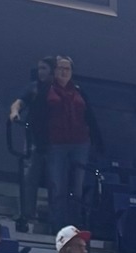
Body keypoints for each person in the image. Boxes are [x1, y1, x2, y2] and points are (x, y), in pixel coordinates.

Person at [39, 57, 101, 231]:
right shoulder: (46, 90)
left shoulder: (79, 91)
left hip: (80, 143)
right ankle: (57, 224)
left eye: (67, 68)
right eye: (60, 68)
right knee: (57, 185)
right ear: (54, 70)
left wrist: (97, 140)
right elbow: (39, 115)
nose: (64, 71)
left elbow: (90, 117)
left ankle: (74, 225)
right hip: (56, 143)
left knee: (77, 187)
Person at [8, 57, 55, 233]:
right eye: (39, 69)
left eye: (44, 68)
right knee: (29, 177)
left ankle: (55, 219)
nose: (41, 72)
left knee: (55, 181)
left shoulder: (58, 90)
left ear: (52, 70)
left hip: (55, 141)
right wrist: (14, 113)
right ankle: (27, 214)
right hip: (34, 138)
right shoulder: (33, 87)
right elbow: (19, 102)